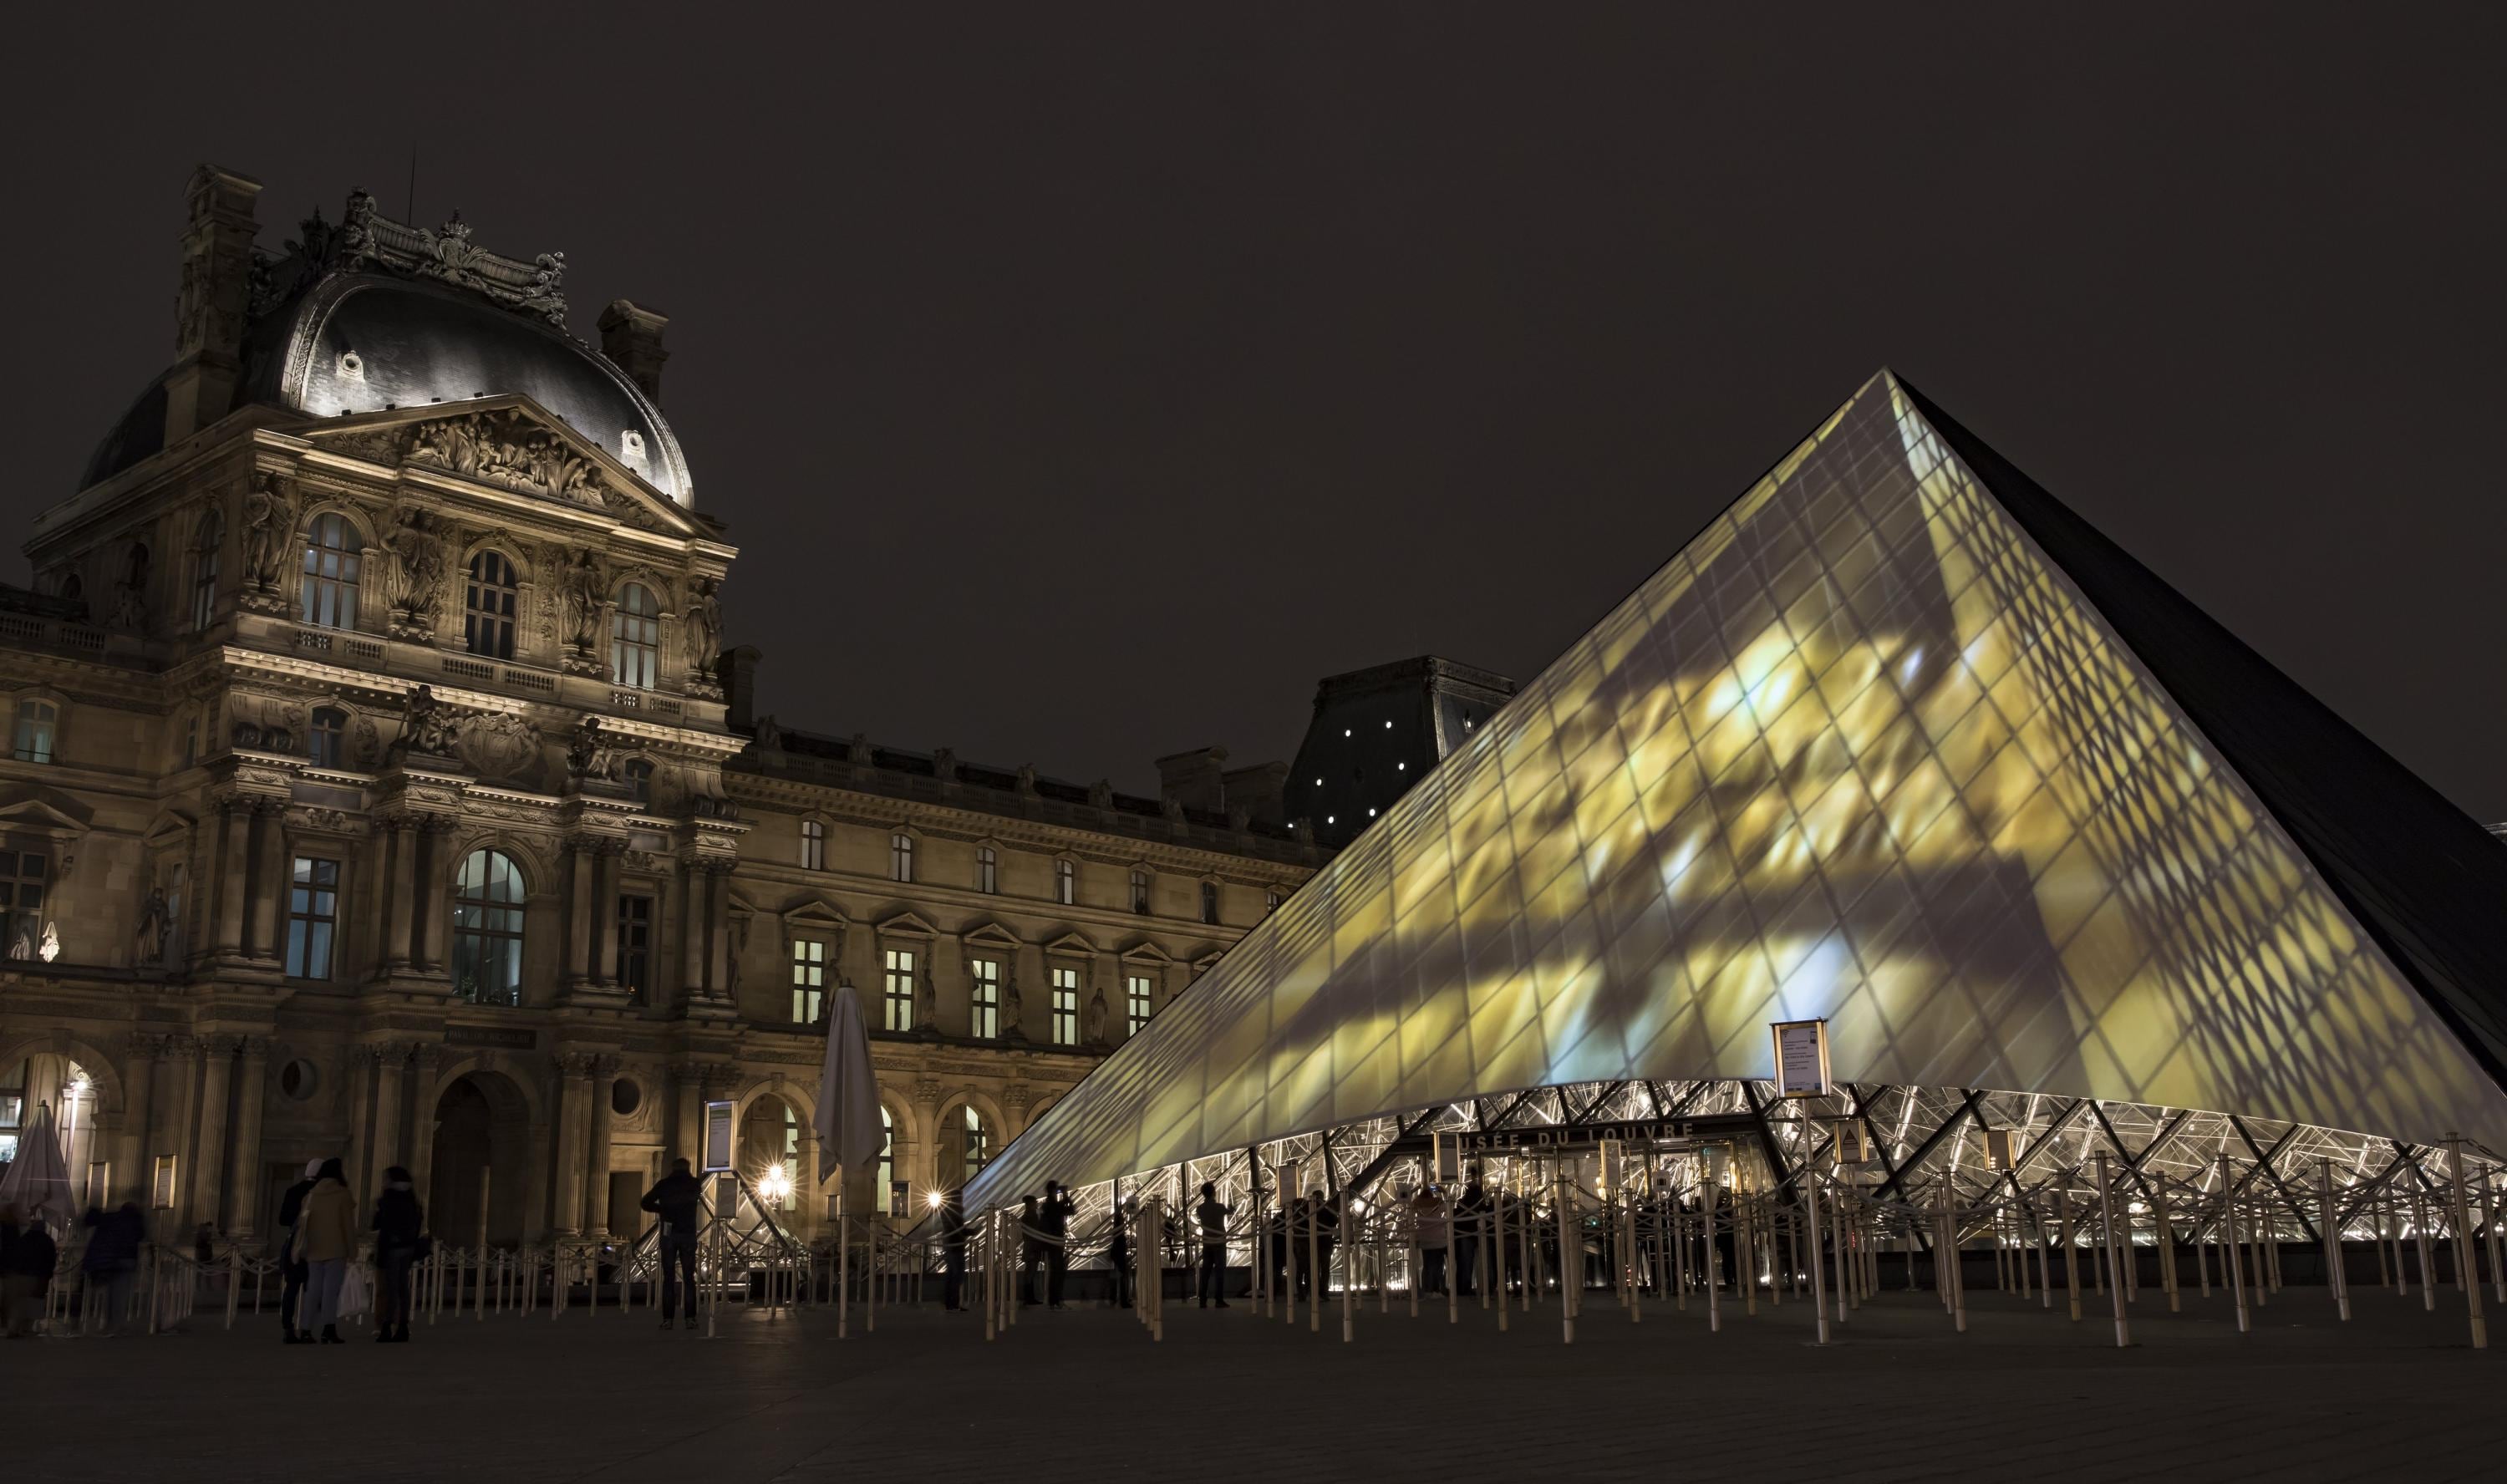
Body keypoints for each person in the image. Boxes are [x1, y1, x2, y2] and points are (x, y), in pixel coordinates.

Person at [292, 1159, 358, 1344]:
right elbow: (348, 1226)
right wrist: (352, 1251)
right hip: (337, 1249)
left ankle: (306, 1329)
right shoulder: (343, 1195)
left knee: (312, 1291)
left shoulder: (311, 1196)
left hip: (314, 1249)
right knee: (331, 1292)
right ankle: (328, 1329)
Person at [638, 1157, 704, 1331]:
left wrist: (662, 1209)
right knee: (689, 1278)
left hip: (668, 1233)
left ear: (673, 1169)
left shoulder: (664, 1184)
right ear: (688, 1168)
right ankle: (690, 1319)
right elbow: (694, 1199)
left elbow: (645, 1203)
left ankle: (668, 1320)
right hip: (688, 1233)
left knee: (668, 1278)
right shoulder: (694, 1184)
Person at [370, 1166, 425, 1343]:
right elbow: (418, 1224)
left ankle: (386, 1325)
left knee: (391, 1288)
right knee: (403, 1287)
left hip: (392, 1248)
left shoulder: (387, 1199)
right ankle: (403, 1326)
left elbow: (379, 1225)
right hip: (408, 1248)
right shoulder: (412, 1200)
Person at [80, 1201, 146, 1335]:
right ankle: (116, 1325)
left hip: (111, 1259)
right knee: (120, 1294)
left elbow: (92, 1220)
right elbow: (140, 1236)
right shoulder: (135, 1221)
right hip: (127, 1259)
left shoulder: (113, 1218)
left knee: (112, 1294)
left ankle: (111, 1324)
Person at [277, 1157, 319, 1343]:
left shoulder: (292, 1191)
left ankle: (288, 1327)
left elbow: (283, 1220)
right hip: (315, 1245)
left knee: (291, 1289)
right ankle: (307, 1330)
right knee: (312, 1290)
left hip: (296, 1244)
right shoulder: (320, 1193)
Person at [3, 1206, 57, 1338]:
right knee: (33, 1302)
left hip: (19, 1274)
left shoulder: (24, 1239)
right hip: (37, 1276)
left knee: (18, 1303)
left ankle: (13, 1328)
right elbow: (50, 1260)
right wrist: (48, 1274)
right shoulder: (47, 1241)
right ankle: (27, 1328)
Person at [1194, 1182, 1233, 1309]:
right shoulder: (1220, 1207)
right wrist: (1232, 1209)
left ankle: (1202, 1300)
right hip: (1219, 1242)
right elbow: (1229, 1211)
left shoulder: (1200, 1209)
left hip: (1207, 1241)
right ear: (1214, 1192)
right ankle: (1219, 1300)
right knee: (1219, 1272)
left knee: (1206, 1272)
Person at [1038, 1181, 1073, 1309]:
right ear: (1054, 1190)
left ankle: (1054, 1300)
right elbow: (1071, 1210)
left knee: (1055, 1271)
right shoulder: (1054, 1205)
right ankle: (1055, 1300)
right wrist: (1066, 1195)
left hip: (1050, 1241)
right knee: (1058, 1271)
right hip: (1056, 1241)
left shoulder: (1047, 1204)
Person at [1412, 1187, 1449, 1296]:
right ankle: (1438, 1289)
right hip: (1439, 1240)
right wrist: (1444, 1193)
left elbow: (1410, 1209)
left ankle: (1427, 1289)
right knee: (1439, 1266)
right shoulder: (1438, 1204)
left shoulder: (1417, 1205)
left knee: (1427, 1265)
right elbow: (1448, 1207)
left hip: (1425, 1240)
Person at [1454, 1177, 1486, 1296]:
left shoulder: (1462, 1203)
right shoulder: (1478, 1203)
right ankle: (1483, 1285)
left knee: (1465, 1262)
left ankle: (1464, 1286)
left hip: (1464, 1234)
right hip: (1476, 1233)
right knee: (1475, 1262)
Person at [939, 1191, 969, 1312]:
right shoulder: (955, 1212)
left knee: (951, 1275)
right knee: (957, 1276)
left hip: (949, 1246)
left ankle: (949, 1303)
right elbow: (959, 1230)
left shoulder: (946, 1211)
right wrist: (974, 1231)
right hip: (956, 1247)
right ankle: (953, 1303)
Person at [1106, 1197, 1136, 1309]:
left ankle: (1115, 1298)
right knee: (1122, 1277)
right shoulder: (1119, 1223)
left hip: (1117, 1252)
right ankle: (1122, 1299)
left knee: (1119, 1276)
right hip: (1119, 1252)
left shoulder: (1117, 1223)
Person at [1018, 1195, 1044, 1307]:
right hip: (1033, 1248)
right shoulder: (1031, 1216)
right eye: (1035, 1202)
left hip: (1030, 1247)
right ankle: (1029, 1298)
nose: (1037, 1204)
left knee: (1030, 1272)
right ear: (1031, 1204)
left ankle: (1029, 1298)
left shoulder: (1026, 1216)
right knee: (1030, 1273)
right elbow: (1035, 1233)